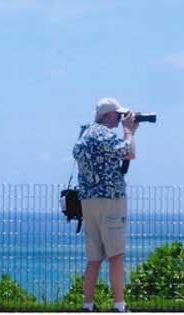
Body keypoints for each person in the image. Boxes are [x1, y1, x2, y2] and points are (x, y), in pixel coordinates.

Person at [73, 98, 139, 312]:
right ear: (108, 115)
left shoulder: (85, 134)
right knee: (116, 255)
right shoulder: (104, 134)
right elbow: (129, 153)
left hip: (88, 201)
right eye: (118, 115)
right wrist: (129, 132)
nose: (120, 119)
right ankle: (119, 306)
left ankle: (88, 305)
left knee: (93, 258)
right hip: (110, 200)